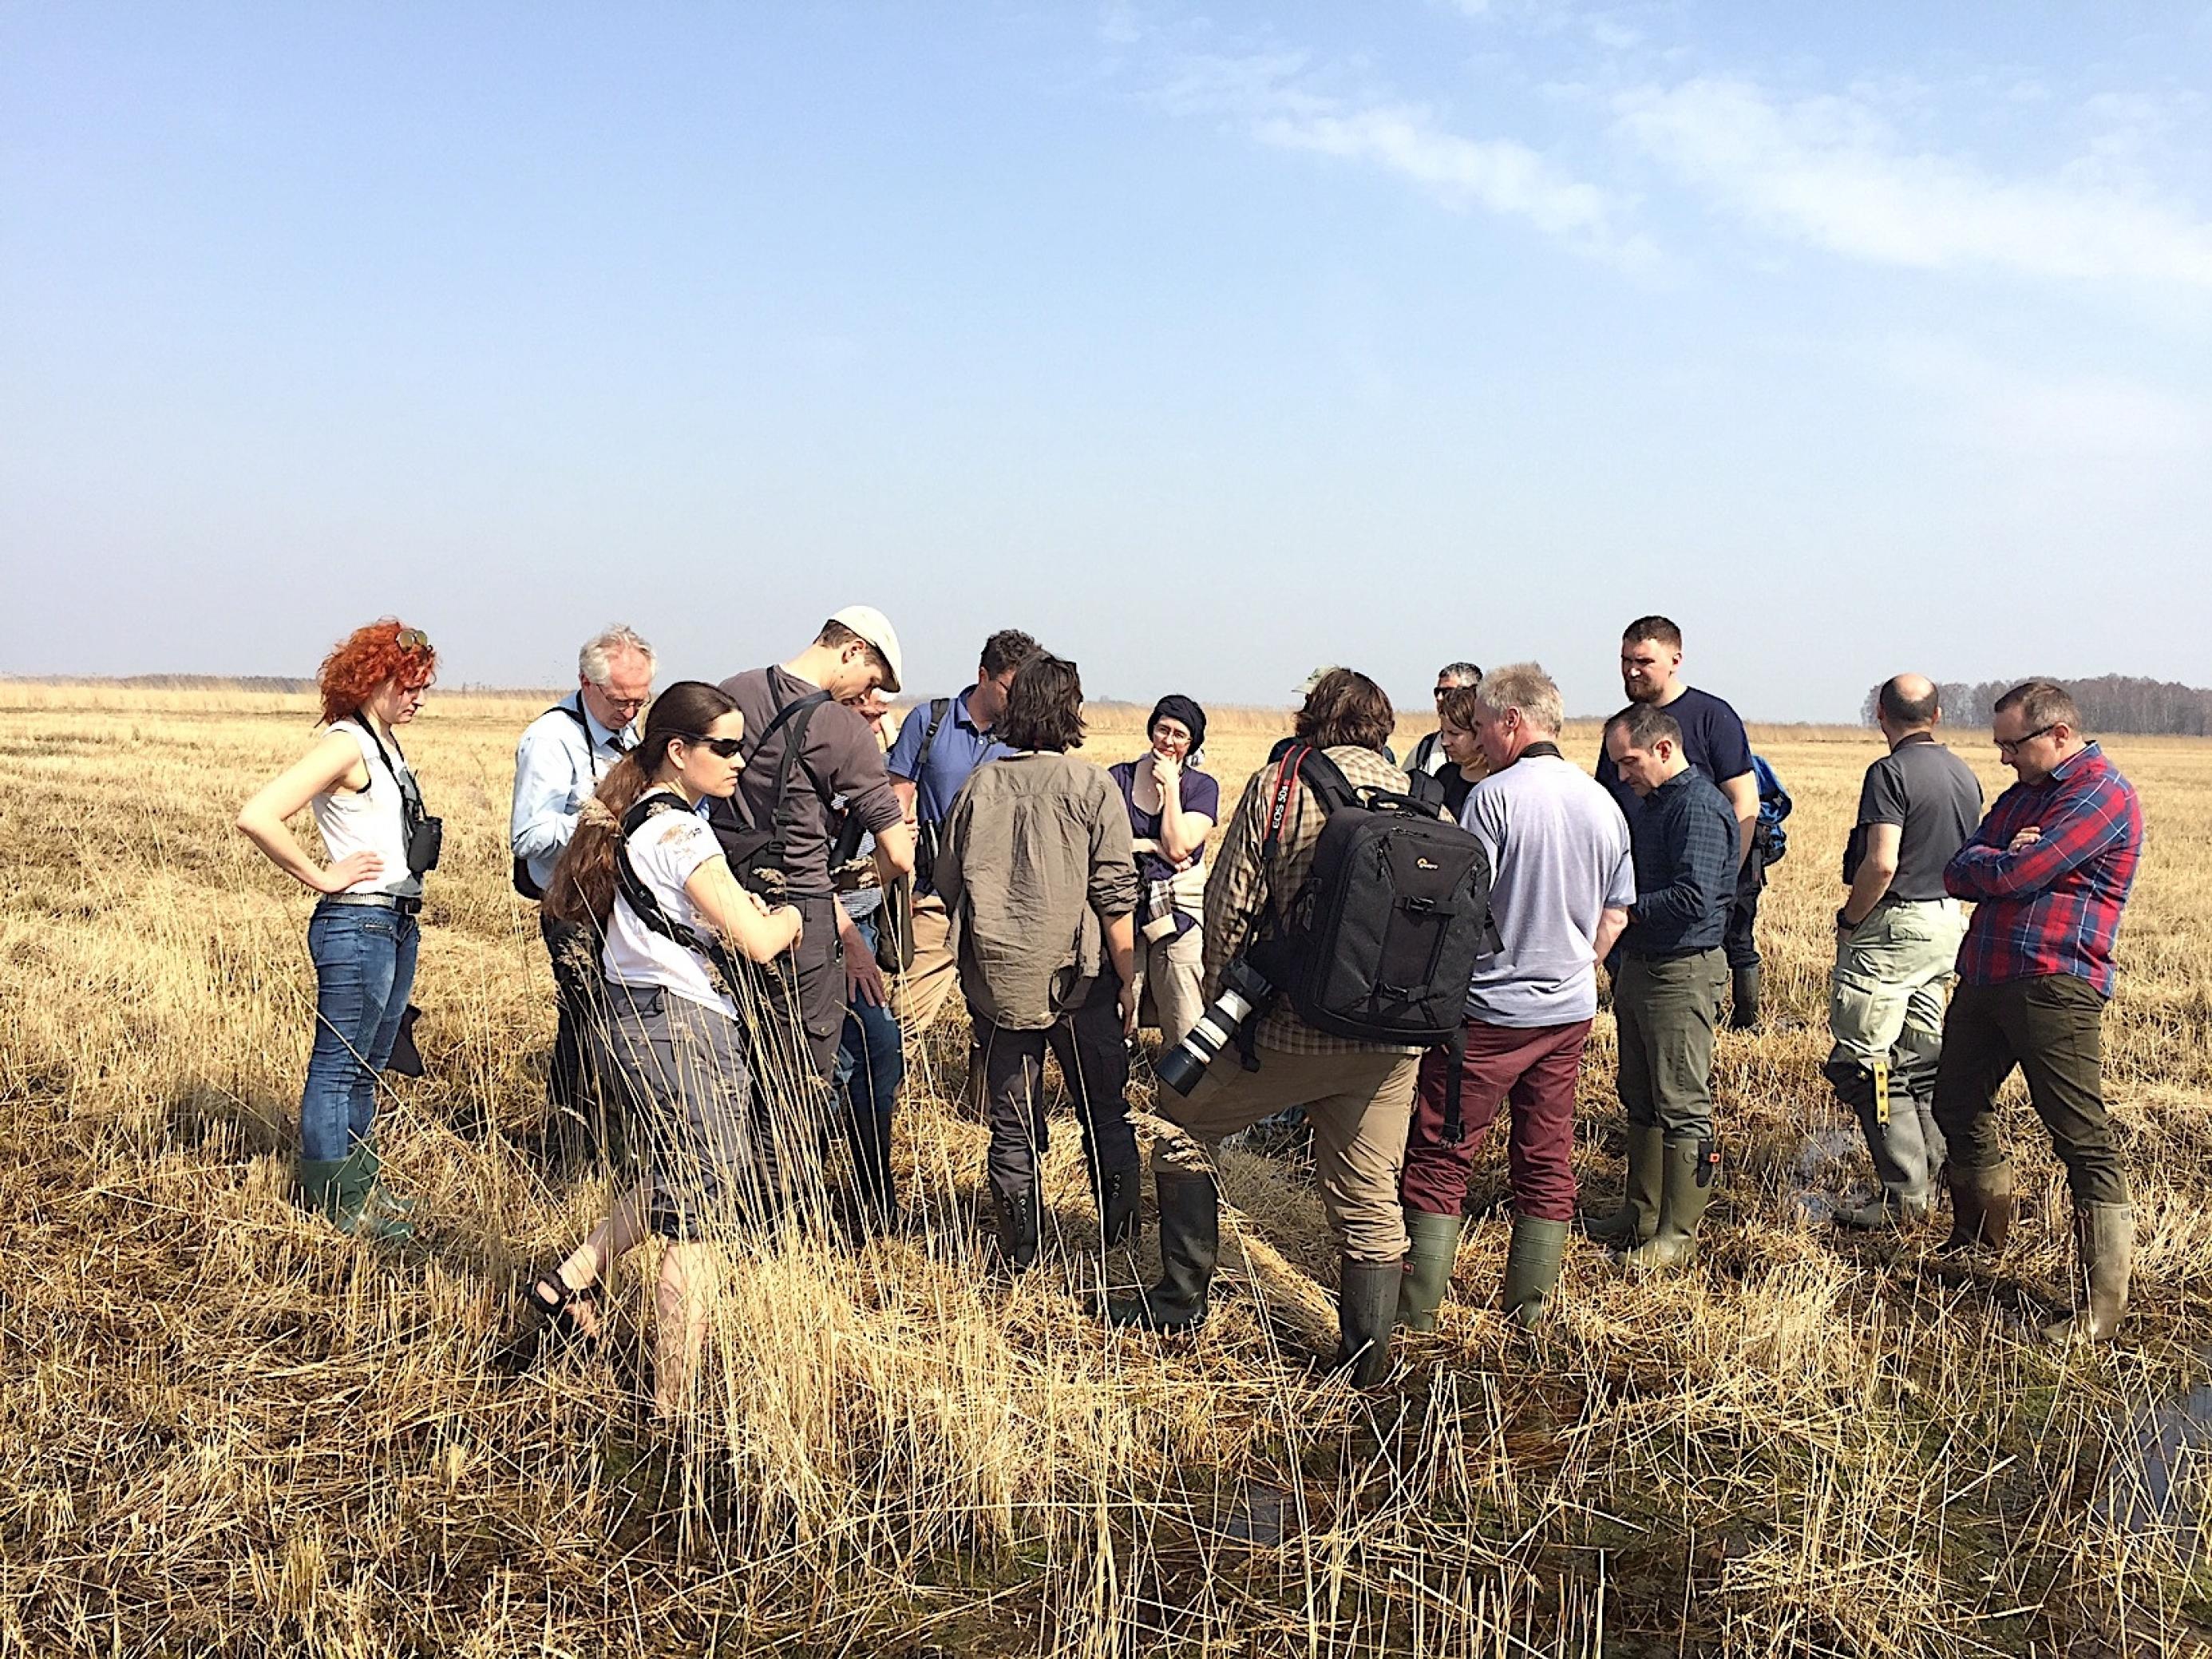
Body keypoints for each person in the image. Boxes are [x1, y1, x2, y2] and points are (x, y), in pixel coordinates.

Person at [1108, 669, 1438, 1388]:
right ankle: (1367, 1363)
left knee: (1178, 1122)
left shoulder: (1279, 788)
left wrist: (1235, 1010)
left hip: (1288, 1032)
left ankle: (1178, 1300)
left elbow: (1228, 909)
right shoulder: (1421, 800)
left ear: (1309, 719)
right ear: (1382, 728)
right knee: (1368, 1195)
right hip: (1390, 1043)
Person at [505, 680, 805, 1421]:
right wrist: (798, 913)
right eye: (726, 748)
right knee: (700, 1223)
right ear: (680, 751)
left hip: (637, 1022)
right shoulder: (682, 833)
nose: (739, 763)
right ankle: (674, 1404)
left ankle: (572, 1280)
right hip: (683, 1028)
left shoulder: (637, 818)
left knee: (677, 1176)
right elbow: (760, 942)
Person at [1397, 665, 1632, 1329]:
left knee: (1442, 1155)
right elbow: (1615, 914)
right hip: (1567, 1013)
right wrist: (1570, 969)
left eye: (1478, 726)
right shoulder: (1602, 803)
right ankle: (1528, 1314)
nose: (1475, 739)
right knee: (1545, 1154)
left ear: (1510, 721)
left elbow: (1464, 908)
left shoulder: (1495, 800)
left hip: (1489, 1013)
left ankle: (1415, 1317)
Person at [1935, 680, 2144, 1344]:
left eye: (2010, 745)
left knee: (2078, 1136)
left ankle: (2098, 1308)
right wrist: (2002, 855)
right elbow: (1957, 868)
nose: (2001, 759)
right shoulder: (2025, 795)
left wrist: (2002, 861)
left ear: (2057, 734)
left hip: (2054, 983)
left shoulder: (2100, 794)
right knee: (1955, 1105)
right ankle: (1977, 1244)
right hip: (1985, 973)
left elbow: (2012, 877)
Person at [934, 655, 1142, 1270]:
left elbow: (946, 883)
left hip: (997, 985)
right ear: (1070, 711)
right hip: (1080, 983)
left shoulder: (978, 786)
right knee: (1104, 1111)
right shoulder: (1092, 786)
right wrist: (1129, 982)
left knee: (1011, 1125)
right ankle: (1120, 1247)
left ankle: (1019, 1254)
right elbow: (1114, 893)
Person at [235, 619, 440, 1242]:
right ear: (373, 680)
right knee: (339, 1067)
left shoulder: (383, 745)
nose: (419, 698)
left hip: (395, 921)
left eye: (422, 686)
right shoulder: (346, 744)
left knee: (368, 1065)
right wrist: (321, 877)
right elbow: (257, 814)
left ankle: (360, 1186)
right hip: (358, 921)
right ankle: (334, 1205)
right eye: (409, 685)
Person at [717, 608, 915, 1091]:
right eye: (871, 680)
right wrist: (859, 878)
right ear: (852, 651)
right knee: (797, 1072)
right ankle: (782, 1165)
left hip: (724, 896)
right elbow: (899, 854)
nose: (867, 696)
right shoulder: (843, 729)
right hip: (802, 912)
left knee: (735, 1051)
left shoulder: (735, 691)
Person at [1824, 675, 1981, 1231]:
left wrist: (1850, 919)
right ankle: (1930, 1173)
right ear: (1936, 716)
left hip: (1894, 926)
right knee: (1918, 1062)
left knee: (1864, 1064)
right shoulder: (1963, 772)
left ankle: (1902, 1193)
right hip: (1946, 923)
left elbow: (1881, 862)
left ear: (1880, 715)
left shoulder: (1888, 773)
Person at [1586, 703, 1737, 1272]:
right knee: (1640, 1094)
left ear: (1664, 750)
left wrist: (1620, 912)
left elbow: (1693, 897)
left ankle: (1677, 1232)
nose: (1621, 776)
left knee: (1680, 1101)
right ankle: (1640, 1213)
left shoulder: (1696, 808)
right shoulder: (1653, 804)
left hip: (1681, 970)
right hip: (1644, 965)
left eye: (1628, 762)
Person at [511, 624, 655, 1156]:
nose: (629, 712)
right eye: (619, 701)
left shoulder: (635, 736)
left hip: (621, 906)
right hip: (572, 906)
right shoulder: (552, 739)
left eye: (639, 700)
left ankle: (615, 1142)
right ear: (585, 684)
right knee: (584, 1024)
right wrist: (598, 825)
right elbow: (527, 836)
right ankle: (567, 1148)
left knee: (623, 1023)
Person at [1592, 617, 1763, 1027]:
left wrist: (1724, 881)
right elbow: (1604, 801)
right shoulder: (1623, 727)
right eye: (1625, 660)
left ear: (1675, 660)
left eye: (1644, 661)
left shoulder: (1712, 717)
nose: (1632, 670)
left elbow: (1744, 801)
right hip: (1636, 881)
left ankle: (1745, 1018)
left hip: (1695, 879)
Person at [884, 628, 1043, 1037]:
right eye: (1010, 688)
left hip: (1002, 899)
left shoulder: (1025, 737)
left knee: (1001, 1020)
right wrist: (903, 887)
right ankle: (891, 1097)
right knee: (906, 1015)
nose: (1017, 700)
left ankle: (983, 1102)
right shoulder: (929, 721)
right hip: (936, 895)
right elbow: (896, 803)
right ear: (984, 676)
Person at [829, 685, 905, 1230]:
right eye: (867, 712)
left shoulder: (867, 767)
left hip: (865, 928)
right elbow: (803, 872)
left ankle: (873, 1195)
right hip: (826, 937)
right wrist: (853, 942)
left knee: (876, 1058)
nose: (877, 722)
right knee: (850, 1060)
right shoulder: (813, 777)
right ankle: (795, 1189)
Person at [1107, 695, 1219, 1047]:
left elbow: (1178, 847)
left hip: (1178, 912)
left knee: (1184, 1013)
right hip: (1124, 909)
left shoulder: (1202, 787)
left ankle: (1181, 1098)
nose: (1168, 741)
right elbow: (1106, 845)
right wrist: (1151, 847)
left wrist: (1171, 787)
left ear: (1192, 744)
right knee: (1118, 1010)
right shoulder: (1118, 778)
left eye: (1179, 735)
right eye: (1162, 730)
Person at [1403, 662, 1483, 781]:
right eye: (1437, 692)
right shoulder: (1425, 749)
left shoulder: (1499, 761)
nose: (1439, 698)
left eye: (1448, 692)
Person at [1430, 683, 1492, 818]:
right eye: (1443, 733)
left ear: (1480, 732)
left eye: (1454, 733)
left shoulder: (1500, 782)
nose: (1445, 742)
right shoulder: (1445, 776)